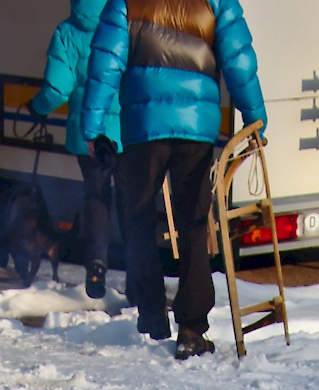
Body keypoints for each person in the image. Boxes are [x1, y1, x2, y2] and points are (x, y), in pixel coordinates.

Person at [81, 0, 266, 359]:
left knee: (138, 222)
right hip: (197, 129)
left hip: (143, 128)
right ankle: (192, 329)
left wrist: (91, 127)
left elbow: (105, 62)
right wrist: (254, 117)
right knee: (194, 226)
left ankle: (151, 317)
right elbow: (238, 59)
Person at [28, 2, 123, 300]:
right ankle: (141, 267)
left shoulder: (67, 32)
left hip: (89, 134)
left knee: (96, 196)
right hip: (128, 130)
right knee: (133, 197)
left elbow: (58, 88)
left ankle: (96, 263)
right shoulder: (124, 22)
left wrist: (37, 107)